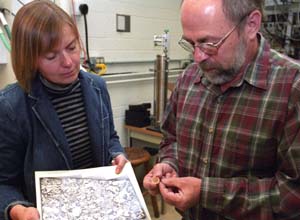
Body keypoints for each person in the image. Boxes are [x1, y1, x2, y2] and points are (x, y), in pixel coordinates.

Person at [144, 0, 300, 219]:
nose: (198, 57)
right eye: (191, 43)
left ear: (251, 25)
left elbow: (293, 195)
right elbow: (172, 139)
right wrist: (169, 164)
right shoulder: (189, 78)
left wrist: (206, 193)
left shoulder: (292, 89)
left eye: (209, 44)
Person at [0, 1, 127, 220]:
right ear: (30, 59)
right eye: (51, 56)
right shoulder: (11, 106)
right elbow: (4, 183)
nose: (69, 62)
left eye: (71, 47)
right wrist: (18, 209)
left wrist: (116, 153)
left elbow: (111, 137)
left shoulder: (97, 87)